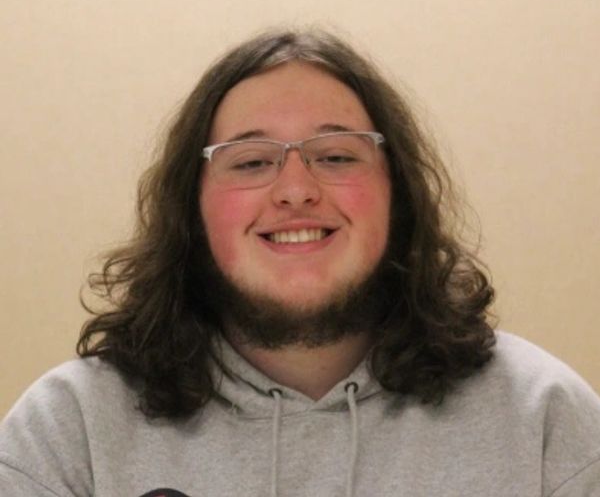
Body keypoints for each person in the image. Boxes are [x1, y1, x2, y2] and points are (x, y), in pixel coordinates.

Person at [1, 29, 599, 497]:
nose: (295, 190)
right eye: (251, 161)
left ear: (399, 197)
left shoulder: (542, 419)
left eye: (336, 156)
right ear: (191, 209)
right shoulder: (69, 432)